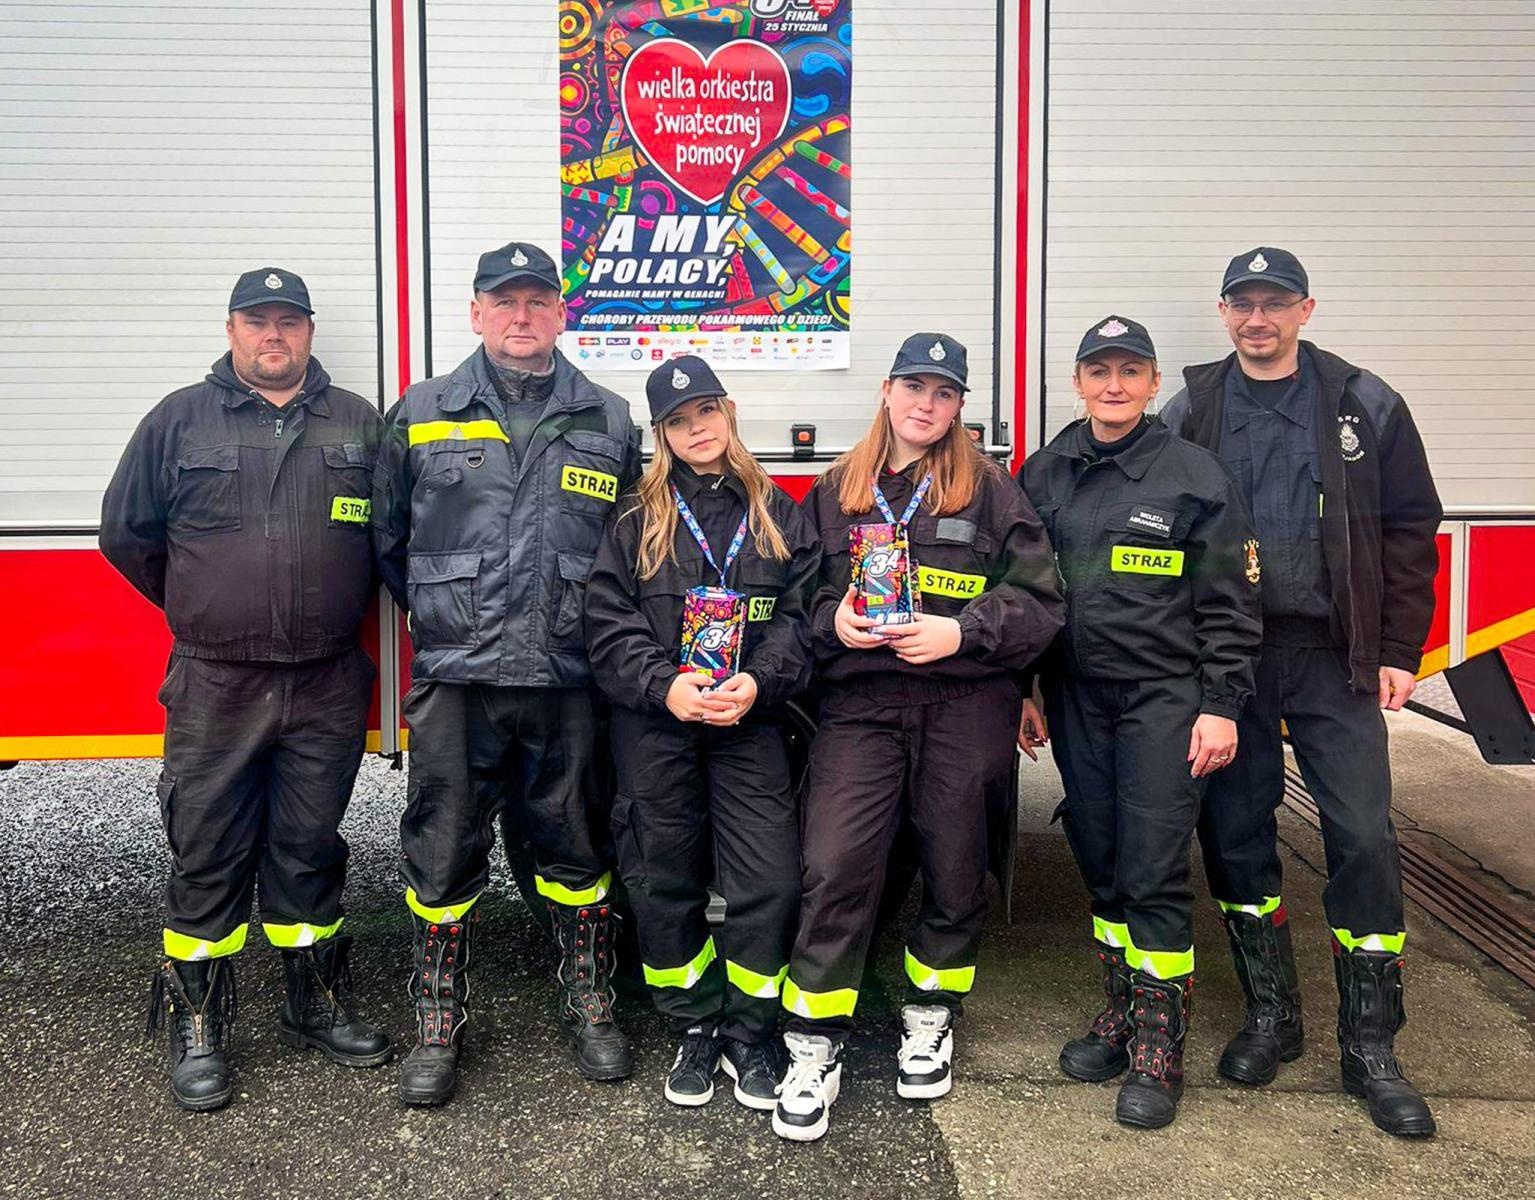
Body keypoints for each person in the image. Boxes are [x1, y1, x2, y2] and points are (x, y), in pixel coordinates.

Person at [1159, 247, 1443, 1138]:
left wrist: (1400, 644)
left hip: (1332, 654)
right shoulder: (1193, 406)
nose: (1257, 319)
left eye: (1273, 303)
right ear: (1222, 312)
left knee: (1359, 833)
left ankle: (1370, 1045)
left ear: (1305, 309)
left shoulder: (1364, 401)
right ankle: (1271, 1018)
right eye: (1242, 304)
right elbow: (1162, 524)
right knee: (1237, 836)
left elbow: (1408, 527)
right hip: (1232, 658)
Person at [101, 268, 391, 1112]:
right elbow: (128, 535)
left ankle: (315, 1003)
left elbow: (391, 538)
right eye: (258, 322)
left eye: (289, 322)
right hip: (215, 680)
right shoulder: (177, 420)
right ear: (232, 330)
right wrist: (204, 604)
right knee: (206, 849)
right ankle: (199, 1024)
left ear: (308, 332)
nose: (275, 336)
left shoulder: (359, 424)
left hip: (327, 679)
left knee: (309, 846)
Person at [771, 333, 1064, 1142]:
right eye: (912, 388)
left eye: (942, 393)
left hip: (963, 705)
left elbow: (1040, 601)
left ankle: (929, 1012)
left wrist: (962, 634)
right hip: (860, 707)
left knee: (954, 863)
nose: (925, 405)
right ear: (887, 393)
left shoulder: (993, 492)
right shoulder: (837, 490)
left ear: (960, 406)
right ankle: (813, 1040)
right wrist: (831, 620)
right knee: (834, 861)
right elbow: (792, 601)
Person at [372, 241, 643, 1105]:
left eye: (537, 301)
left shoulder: (607, 417)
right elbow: (387, 540)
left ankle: (591, 1002)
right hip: (458, 678)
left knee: (574, 842)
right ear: (476, 312)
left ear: (561, 313)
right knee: (443, 849)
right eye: (504, 301)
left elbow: (629, 550)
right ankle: (437, 1020)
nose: (521, 316)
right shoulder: (421, 409)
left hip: (567, 675)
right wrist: (451, 610)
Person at [1018, 316, 1262, 1128]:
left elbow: (1230, 602)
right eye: (1099, 371)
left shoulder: (1195, 475)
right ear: (1078, 382)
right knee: (1099, 854)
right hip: (1076, 696)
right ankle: (1121, 1012)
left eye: (1130, 371)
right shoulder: (1044, 472)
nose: (1113, 385)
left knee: (1154, 863)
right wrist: (1025, 686)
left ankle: (1161, 1046)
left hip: (1164, 696)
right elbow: (1021, 593)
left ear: (1154, 383)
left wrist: (1221, 704)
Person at [584, 355, 821, 1111]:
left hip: (750, 724)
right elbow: (605, 623)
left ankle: (749, 1031)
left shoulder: (775, 511)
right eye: (680, 421)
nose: (698, 430)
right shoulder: (631, 519)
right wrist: (666, 687)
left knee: (770, 881)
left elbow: (803, 616)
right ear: (661, 434)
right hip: (657, 727)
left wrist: (759, 682)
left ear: (729, 413)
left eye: (708, 413)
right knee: (661, 880)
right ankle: (695, 1024)